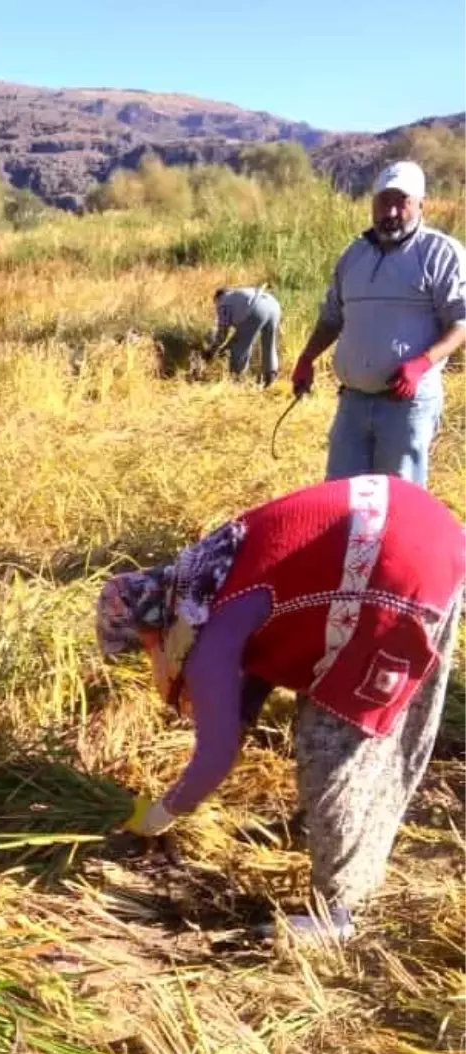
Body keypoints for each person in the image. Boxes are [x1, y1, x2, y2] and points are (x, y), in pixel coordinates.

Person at [95, 475, 465, 940]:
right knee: (365, 730)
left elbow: (216, 757)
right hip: (420, 525)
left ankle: (338, 913)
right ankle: (334, 835)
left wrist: (159, 816)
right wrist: (233, 711)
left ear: (150, 628)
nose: (149, 657)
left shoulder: (207, 637)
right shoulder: (205, 577)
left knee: (332, 748)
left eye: (141, 648)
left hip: (394, 568)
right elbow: (268, 643)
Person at [291, 161, 466, 487]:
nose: (393, 211)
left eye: (403, 202)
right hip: (353, 401)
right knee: (342, 498)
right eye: (384, 201)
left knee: (397, 501)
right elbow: (332, 318)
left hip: (406, 405)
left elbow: (461, 321)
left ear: (421, 205)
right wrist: (306, 358)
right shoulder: (353, 255)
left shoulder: (440, 253)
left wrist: (421, 364)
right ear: (372, 204)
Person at [203, 284, 281, 385]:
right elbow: (240, 331)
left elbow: (222, 335)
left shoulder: (223, 303)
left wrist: (211, 351)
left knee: (240, 347)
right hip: (273, 305)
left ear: (217, 298)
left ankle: (237, 380)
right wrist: (225, 346)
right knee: (269, 344)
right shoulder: (238, 296)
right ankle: (270, 377)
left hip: (256, 308)